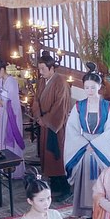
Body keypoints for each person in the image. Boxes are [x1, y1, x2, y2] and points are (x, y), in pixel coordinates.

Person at [63, 62, 110, 219]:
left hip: (101, 149)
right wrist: (85, 144)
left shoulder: (107, 107)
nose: (89, 90)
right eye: (86, 87)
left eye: (93, 87)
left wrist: (96, 145)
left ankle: (103, 211)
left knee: (103, 182)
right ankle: (89, 213)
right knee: (87, 183)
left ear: (99, 87)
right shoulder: (79, 106)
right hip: (84, 148)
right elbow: (72, 128)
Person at [34, 51, 73, 201]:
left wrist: (46, 120)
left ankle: (64, 188)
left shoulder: (60, 82)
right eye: (39, 69)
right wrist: (38, 117)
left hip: (56, 125)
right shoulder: (41, 81)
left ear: (51, 68)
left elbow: (60, 106)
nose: (41, 72)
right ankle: (54, 184)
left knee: (57, 155)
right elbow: (36, 100)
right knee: (47, 155)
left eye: (43, 69)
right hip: (44, 122)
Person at [0, 55, 26, 179]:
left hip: (11, 117)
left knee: (11, 140)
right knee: (2, 139)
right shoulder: (0, 81)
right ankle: (4, 169)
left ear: (2, 70)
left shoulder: (12, 82)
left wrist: (3, 102)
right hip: (2, 114)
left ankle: (15, 172)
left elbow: (14, 103)